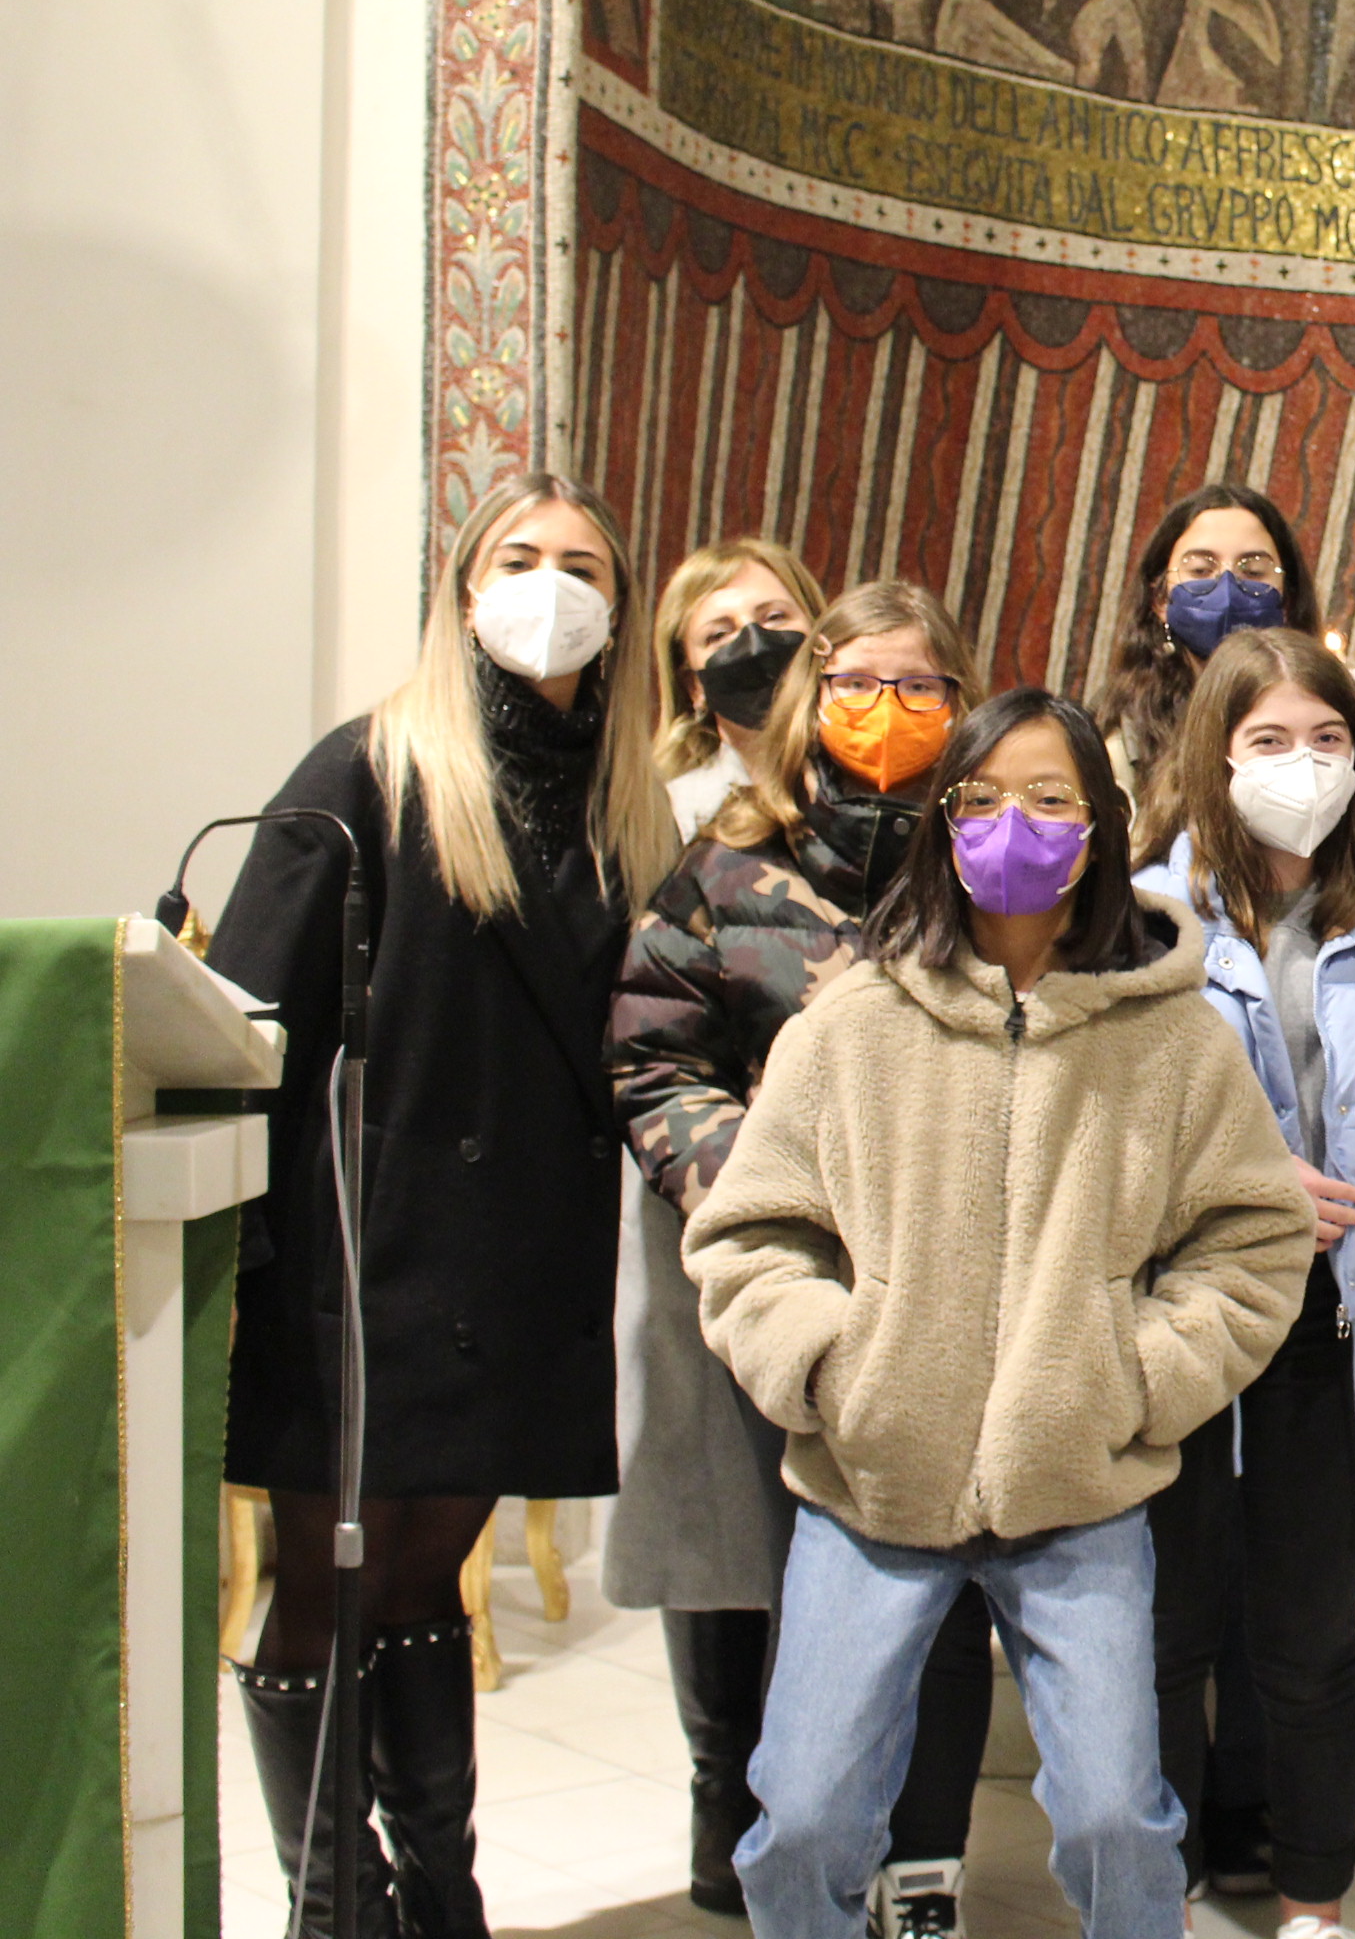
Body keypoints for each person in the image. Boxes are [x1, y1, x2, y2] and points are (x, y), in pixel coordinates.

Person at [686, 688, 1318, 1939]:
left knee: (1117, 1824)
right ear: (943, 821)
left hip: (1078, 1490)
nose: (1011, 825)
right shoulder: (850, 1025)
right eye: (980, 800)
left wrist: (1132, 1378)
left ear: (1098, 825)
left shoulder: (1174, 1041)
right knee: (801, 1821)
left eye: (1047, 799)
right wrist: (830, 1366)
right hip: (871, 1487)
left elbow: (1253, 1242)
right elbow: (750, 1236)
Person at [210, 472, 679, 1935]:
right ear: (465, 591)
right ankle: (333, 1905)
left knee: (427, 1580)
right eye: (519, 557)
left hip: (522, 1253)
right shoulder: (366, 771)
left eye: (583, 565)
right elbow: (240, 1022)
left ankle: (439, 1896)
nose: (552, 586)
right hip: (362, 1249)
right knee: (329, 1579)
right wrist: (250, 1252)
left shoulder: (622, 806)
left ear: (621, 607)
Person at [607, 578, 994, 1931]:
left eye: (919, 686)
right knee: (794, 1586)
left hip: (955, 1288)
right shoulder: (728, 865)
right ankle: (786, 1856)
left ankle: (926, 1872)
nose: (887, 710)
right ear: (811, 695)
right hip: (785, 1293)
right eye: (858, 684)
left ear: (960, 701)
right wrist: (751, 1180)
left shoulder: (997, 854)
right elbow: (653, 1054)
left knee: (941, 1584)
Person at [1139, 628, 1355, 1939]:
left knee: (1308, 1640)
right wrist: (1241, 1180)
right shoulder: (1145, 916)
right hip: (1175, 1329)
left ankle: (1315, 1907)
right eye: (1269, 741)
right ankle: (1156, 1893)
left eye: (1329, 738)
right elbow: (1101, 1132)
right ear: (1217, 757)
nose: (1303, 765)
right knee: (1164, 1637)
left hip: (1325, 1329)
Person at [1098, 482, 1323, 799]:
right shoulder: (1123, 740)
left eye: (1253, 571)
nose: (1227, 587)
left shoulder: (1332, 720)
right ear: (1160, 599)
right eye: (1201, 569)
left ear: (1287, 600)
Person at [649, 535, 825, 837]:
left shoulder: (872, 787)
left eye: (775, 617)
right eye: (719, 635)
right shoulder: (670, 818)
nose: (754, 643)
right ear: (693, 686)